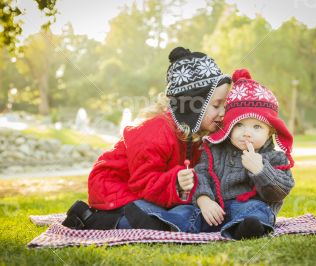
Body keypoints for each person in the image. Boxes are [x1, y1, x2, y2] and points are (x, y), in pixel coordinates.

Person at [62, 47, 231, 232]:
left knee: (182, 213)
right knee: (153, 221)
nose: (223, 113)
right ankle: (90, 218)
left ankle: (145, 216)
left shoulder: (193, 134)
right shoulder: (156, 131)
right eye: (216, 105)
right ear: (193, 106)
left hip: (148, 191)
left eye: (225, 104)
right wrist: (175, 181)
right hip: (116, 188)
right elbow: (142, 182)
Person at [193, 68, 295, 239]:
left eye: (257, 127)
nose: (247, 133)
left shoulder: (276, 158)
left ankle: (244, 229)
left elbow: (280, 190)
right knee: (187, 213)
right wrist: (204, 199)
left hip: (248, 208)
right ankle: (157, 220)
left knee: (256, 211)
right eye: (239, 125)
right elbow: (201, 174)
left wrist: (261, 170)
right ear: (228, 126)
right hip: (214, 210)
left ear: (270, 132)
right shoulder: (214, 150)